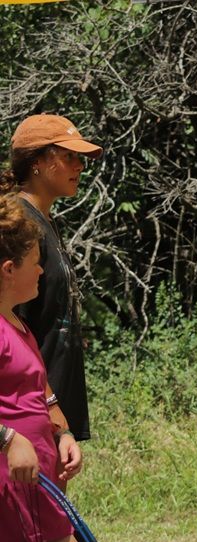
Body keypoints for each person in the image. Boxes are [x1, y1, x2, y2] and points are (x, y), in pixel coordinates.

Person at [0, 196, 97, 542]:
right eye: (35, 261)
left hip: (43, 487)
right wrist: (7, 438)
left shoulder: (17, 322)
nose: (43, 269)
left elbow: (37, 387)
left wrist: (62, 433)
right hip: (7, 498)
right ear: (8, 270)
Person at [0, 114, 104, 443]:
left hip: (51, 406)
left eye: (81, 158)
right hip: (26, 411)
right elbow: (10, 323)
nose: (80, 166)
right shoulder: (19, 225)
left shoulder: (44, 221)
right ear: (38, 163)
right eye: (69, 156)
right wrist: (46, 403)